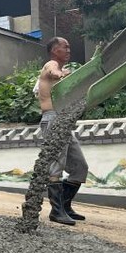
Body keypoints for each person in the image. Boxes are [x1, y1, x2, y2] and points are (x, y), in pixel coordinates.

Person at [36, 36, 89, 225]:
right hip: (53, 119)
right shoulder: (51, 65)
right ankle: (56, 212)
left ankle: (65, 206)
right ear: (53, 50)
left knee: (80, 167)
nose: (68, 50)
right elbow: (52, 71)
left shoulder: (62, 68)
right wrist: (60, 74)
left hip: (64, 121)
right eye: (64, 47)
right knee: (56, 167)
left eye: (69, 47)